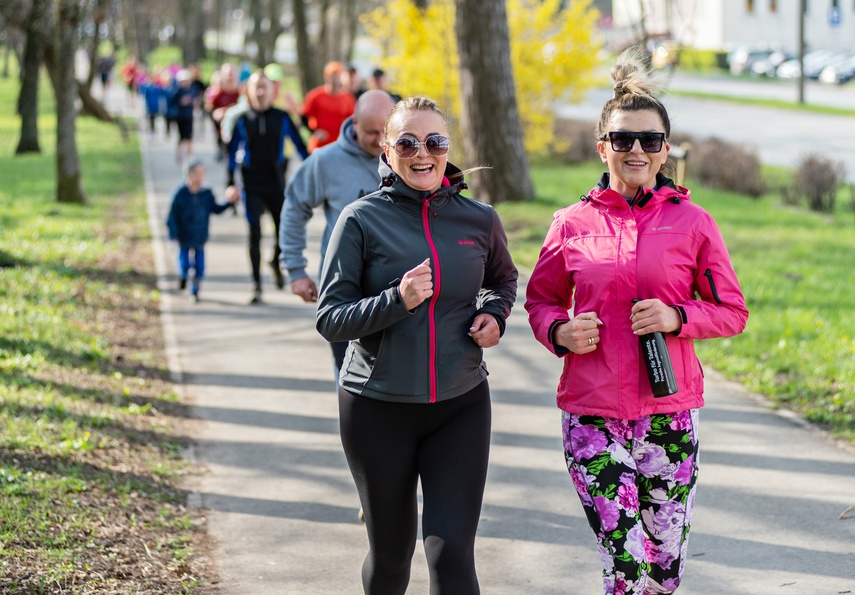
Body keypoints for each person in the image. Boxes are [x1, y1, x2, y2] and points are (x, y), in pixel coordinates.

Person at [524, 47, 749, 595]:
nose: (636, 150)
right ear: (603, 147)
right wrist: (559, 331)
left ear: (665, 151)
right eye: (623, 139)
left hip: (669, 418)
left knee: (662, 570)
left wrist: (677, 316)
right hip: (592, 415)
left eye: (650, 140)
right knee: (626, 567)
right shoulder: (570, 223)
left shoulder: (694, 223)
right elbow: (541, 301)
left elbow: (732, 312)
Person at [316, 96, 518, 594]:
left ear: (448, 150)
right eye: (406, 142)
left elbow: (503, 279)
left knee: (451, 554)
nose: (421, 152)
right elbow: (330, 318)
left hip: (460, 404)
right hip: (376, 408)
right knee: (390, 558)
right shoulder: (360, 220)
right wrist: (396, 300)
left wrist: (494, 313)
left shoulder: (480, 219)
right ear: (386, 152)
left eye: (434, 141)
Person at [279, 90, 396, 375]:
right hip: (345, 290)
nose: (380, 141)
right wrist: (296, 270)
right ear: (354, 122)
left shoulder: (408, 158)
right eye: (371, 132)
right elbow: (295, 206)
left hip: (399, 291)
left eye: (386, 132)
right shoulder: (326, 161)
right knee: (349, 374)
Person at [227, 71, 309, 304]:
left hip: (276, 184)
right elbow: (231, 154)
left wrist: (315, 174)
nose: (261, 92)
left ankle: (275, 261)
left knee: (281, 231)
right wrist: (230, 183)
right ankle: (256, 286)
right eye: (256, 88)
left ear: (273, 91)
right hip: (251, 185)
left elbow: (302, 148)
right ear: (249, 92)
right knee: (254, 233)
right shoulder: (242, 120)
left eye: (265, 87)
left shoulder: (282, 117)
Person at [166, 159, 240, 302]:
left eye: (202, 174)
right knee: (185, 263)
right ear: (188, 174)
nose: (199, 177)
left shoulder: (206, 194)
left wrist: (229, 202)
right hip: (184, 236)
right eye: (196, 174)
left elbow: (216, 209)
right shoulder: (180, 194)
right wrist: (173, 235)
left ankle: (195, 289)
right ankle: (184, 276)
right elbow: (171, 217)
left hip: (200, 236)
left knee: (200, 267)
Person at [299, 61, 356, 153]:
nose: (335, 78)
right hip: (319, 146)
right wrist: (314, 132)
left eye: (337, 75)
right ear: (326, 76)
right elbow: (303, 116)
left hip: (340, 146)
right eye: (332, 75)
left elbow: (353, 121)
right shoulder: (315, 96)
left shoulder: (348, 99)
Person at [169, 69, 199, 165]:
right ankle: (179, 154)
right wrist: (181, 102)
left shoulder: (192, 90)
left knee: (189, 136)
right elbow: (172, 102)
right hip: (180, 117)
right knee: (181, 137)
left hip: (189, 116)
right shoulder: (177, 91)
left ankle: (189, 156)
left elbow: (196, 101)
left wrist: (193, 102)